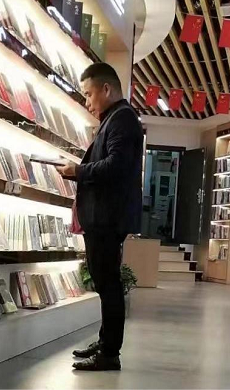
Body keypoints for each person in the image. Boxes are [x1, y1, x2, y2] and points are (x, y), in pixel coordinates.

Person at [56, 62, 143, 371]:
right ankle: (106, 342)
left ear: (106, 89)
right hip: (104, 217)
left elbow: (116, 166)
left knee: (108, 284)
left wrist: (78, 171)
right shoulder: (115, 118)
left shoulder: (122, 120)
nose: (87, 102)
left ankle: (109, 352)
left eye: (89, 94)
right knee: (106, 283)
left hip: (107, 218)